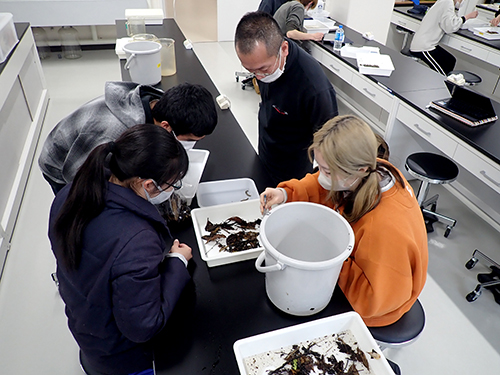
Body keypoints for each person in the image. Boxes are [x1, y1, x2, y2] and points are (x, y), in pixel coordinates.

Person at [48, 124, 192, 375]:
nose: (171, 191)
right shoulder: (137, 240)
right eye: (173, 184)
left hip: (89, 330)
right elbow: (143, 325)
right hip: (124, 357)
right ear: (147, 185)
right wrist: (177, 263)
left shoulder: (72, 192)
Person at [260, 115, 428, 327]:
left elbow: (373, 301)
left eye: (328, 172)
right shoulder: (368, 170)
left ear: (360, 169)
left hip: (377, 307)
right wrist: (285, 194)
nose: (321, 176)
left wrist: (333, 260)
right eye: (319, 166)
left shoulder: (384, 228)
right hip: (361, 270)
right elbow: (322, 186)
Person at [39, 81, 218, 194]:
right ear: (165, 126)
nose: (189, 146)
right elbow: (79, 177)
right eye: (189, 140)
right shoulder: (114, 133)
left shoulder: (162, 104)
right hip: (63, 164)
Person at [235, 11, 338, 185]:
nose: (258, 77)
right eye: (252, 71)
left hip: (293, 168)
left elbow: (330, 143)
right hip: (266, 150)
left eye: (263, 69)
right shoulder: (268, 62)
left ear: (284, 49)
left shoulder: (314, 88)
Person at [410, 0, 478, 75]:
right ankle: (443, 85)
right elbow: (449, 27)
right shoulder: (448, 2)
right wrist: (467, 17)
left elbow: (448, 21)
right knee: (442, 75)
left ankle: (445, 84)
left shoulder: (445, 2)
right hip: (423, 47)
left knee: (450, 60)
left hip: (429, 44)